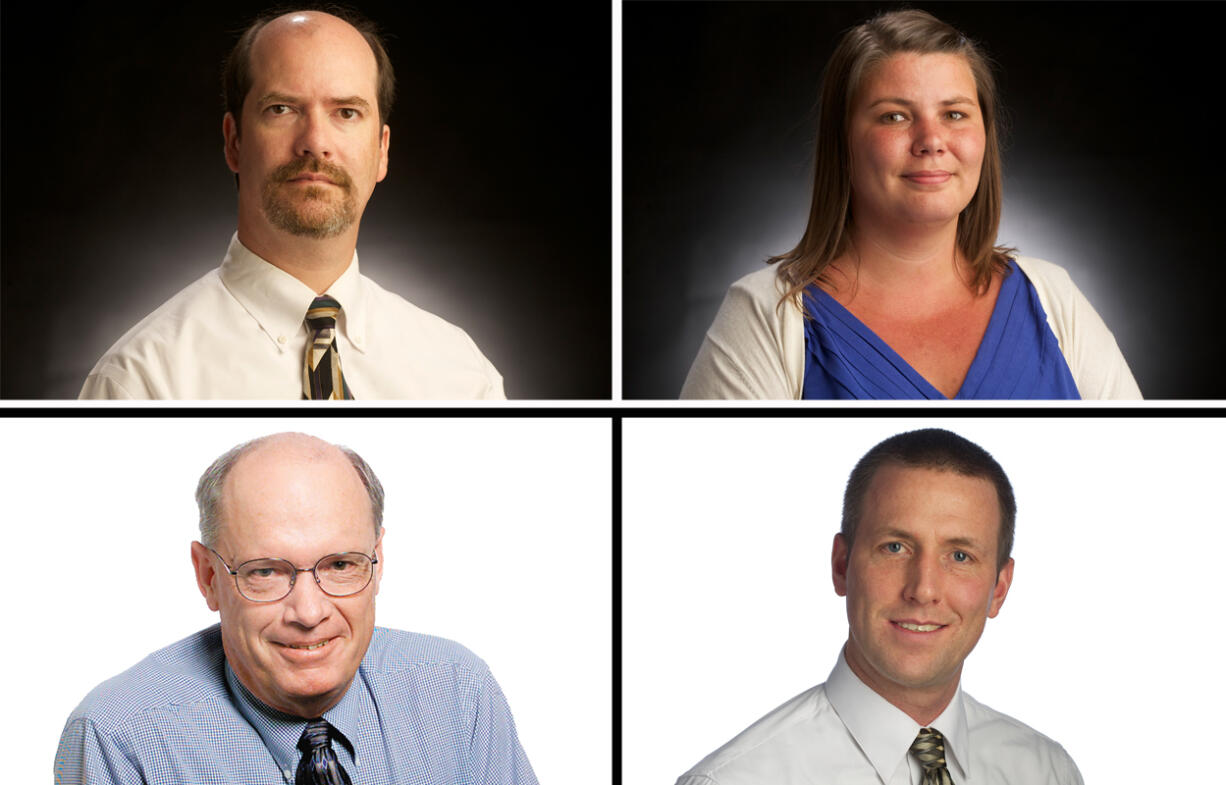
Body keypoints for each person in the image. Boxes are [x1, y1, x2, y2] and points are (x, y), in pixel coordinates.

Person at [681, 9, 1139, 400]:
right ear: (843, 142)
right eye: (894, 116)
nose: (932, 141)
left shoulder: (1052, 298)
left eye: (954, 113)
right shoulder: (767, 314)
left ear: (984, 136)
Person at [55, 433, 537, 784]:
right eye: (265, 571)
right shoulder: (115, 739)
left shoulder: (456, 691)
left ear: (378, 560)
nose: (308, 612)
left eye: (341, 564)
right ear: (208, 578)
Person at [79, 7, 504, 399]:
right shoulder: (140, 383)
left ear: (382, 150)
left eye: (346, 112)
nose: (316, 143)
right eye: (281, 109)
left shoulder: (463, 377)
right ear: (234, 142)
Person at [676, 428, 1083, 784]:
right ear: (841, 566)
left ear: (999, 588)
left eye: (959, 556)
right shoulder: (734, 780)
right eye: (895, 548)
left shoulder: (1049, 772)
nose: (923, 590)